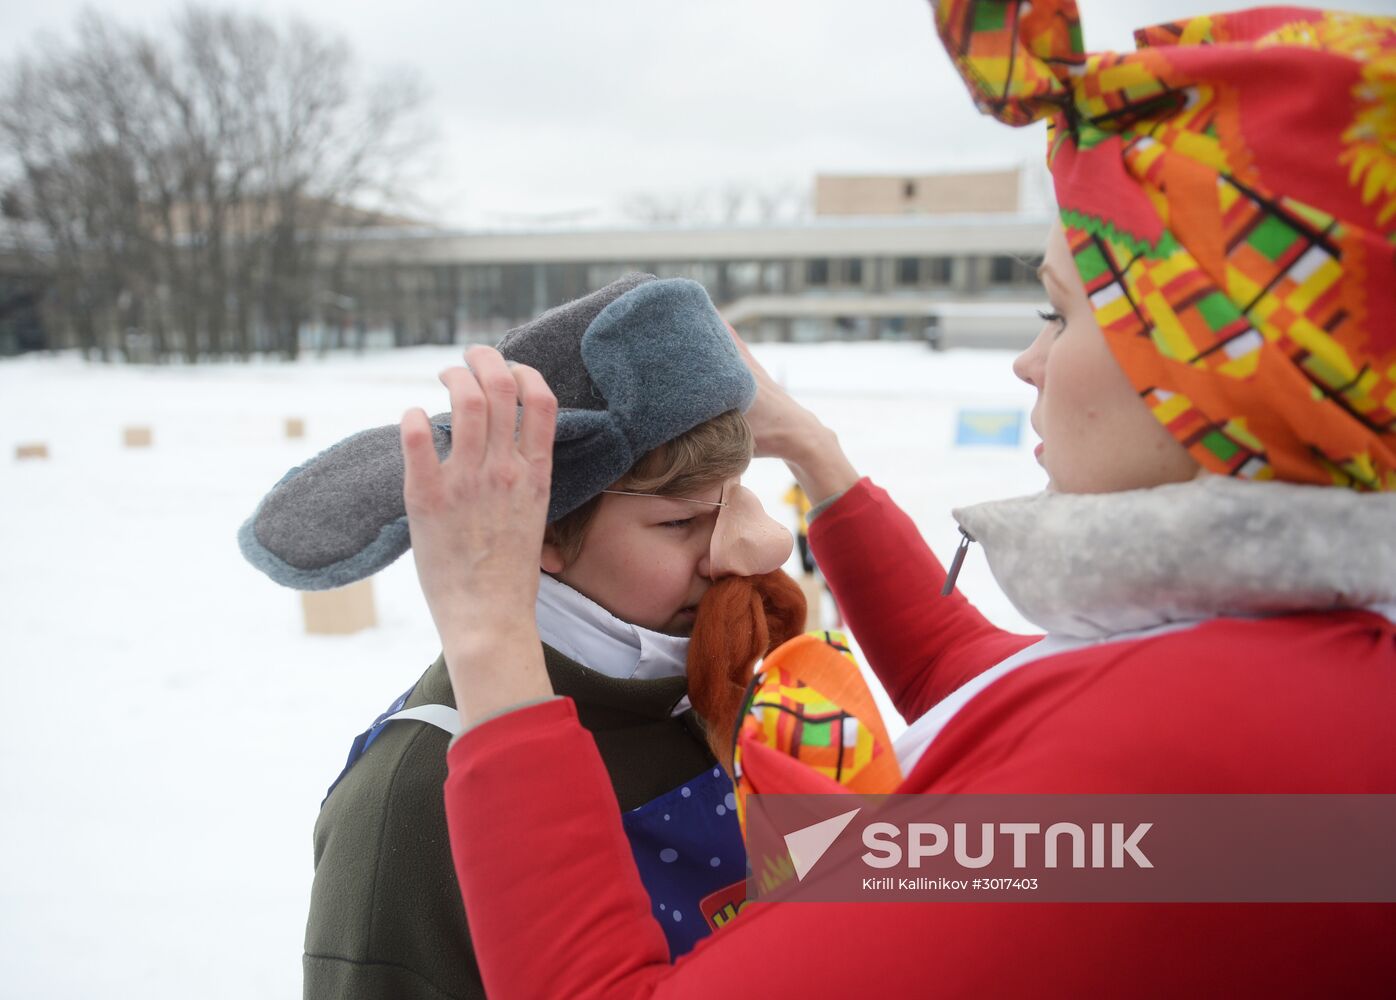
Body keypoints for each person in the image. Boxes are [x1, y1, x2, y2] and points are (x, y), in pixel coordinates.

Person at [403, 2, 1396, 996]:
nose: (1027, 359)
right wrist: (809, 450)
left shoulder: (1180, 778)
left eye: (1061, 311)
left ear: (1215, 362)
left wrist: (490, 633)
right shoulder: (1302, 676)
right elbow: (994, 692)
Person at [238, 274, 803, 999]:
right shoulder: (412, 805)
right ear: (535, 530)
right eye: (681, 522)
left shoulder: (732, 693)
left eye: (738, 502)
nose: (743, 551)